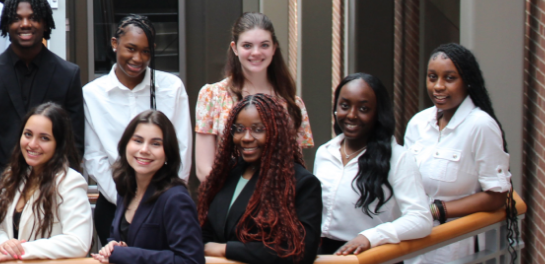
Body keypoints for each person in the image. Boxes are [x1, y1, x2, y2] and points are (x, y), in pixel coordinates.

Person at [83, 15, 192, 241]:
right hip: (114, 204)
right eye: (131, 48)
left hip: (165, 204)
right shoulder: (92, 94)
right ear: (115, 44)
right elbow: (94, 157)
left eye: (146, 51)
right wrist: (127, 199)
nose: (138, 58)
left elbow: (182, 149)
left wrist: (166, 198)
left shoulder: (172, 88)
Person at [404, 44, 517, 264]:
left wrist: (439, 210)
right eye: (432, 77)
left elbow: (497, 195)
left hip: (457, 248)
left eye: (449, 78)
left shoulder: (481, 126)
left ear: (467, 81)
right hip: (415, 244)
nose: (438, 86)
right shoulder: (418, 123)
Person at [195, 93, 322, 264]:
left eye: (258, 129)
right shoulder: (226, 174)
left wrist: (225, 249)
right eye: (239, 129)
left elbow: (299, 250)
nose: (246, 138)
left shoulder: (302, 183)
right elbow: (205, 231)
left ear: (276, 132)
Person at [0, 0, 84, 177]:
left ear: (45, 23)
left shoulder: (68, 75)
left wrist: (54, 184)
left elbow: (74, 142)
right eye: (17, 19)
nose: (25, 24)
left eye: (33, 18)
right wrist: (0, 187)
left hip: (53, 189)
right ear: (6, 24)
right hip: (0, 189)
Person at [313, 73, 430, 255]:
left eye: (364, 109)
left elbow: (420, 219)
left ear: (378, 113)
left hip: (372, 255)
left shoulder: (397, 157)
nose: (351, 115)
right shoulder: (324, 152)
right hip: (326, 256)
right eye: (344, 106)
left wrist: (371, 237)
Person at [192, 12, 313, 182]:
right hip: (227, 199)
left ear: (274, 48)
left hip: (276, 201)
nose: (256, 53)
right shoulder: (212, 96)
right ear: (235, 48)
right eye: (247, 46)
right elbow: (203, 169)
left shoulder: (292, 104)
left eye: (264, 45)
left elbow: (295, 168)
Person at [0, 102, 95, 263]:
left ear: (59, 144)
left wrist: (21, 250)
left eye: (44, 138)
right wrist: (5, 245)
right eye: (28, 134)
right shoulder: (12, 175)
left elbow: (78, 242)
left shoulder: (70, 182)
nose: (32, 144)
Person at [92, 110, 205, 264]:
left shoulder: (176, 199)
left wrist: (125, 255)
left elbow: (191, 260)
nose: (144, 150)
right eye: (138, 141)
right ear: (125, 145)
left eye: (155, 143)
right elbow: (123, 239)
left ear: (168, 153)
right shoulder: (126, 188)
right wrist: (113, 245)